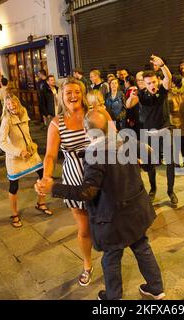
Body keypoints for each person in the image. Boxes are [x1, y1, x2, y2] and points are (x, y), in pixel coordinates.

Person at [35, 110, 165, 301]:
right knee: (142, 248)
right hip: (136, 210)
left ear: (87, 131)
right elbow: (151, 158)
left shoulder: (94, 155)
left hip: (114, 218)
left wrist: (54, 187)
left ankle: (113, 298)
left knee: (111, 258)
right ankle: (156, 288)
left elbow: (87, 193)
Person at [41, 78, 94, 286]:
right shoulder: (57, 123)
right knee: (84, 228)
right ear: (61, 97)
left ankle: (111, 261)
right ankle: (87, 265)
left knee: (106, 221)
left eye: (76, 92)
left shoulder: (94, 114)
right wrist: (47, 176)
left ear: (82, 93)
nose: (73, 96)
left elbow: (114, 139)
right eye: (68, 93)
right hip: (74, 179)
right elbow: (50, 156)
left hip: (99, 175)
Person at [126, 55, 178, 207]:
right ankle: (153, 188)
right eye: (149, 83)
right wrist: (131, 97)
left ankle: (170, 191)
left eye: (154, 81)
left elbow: (168, 77)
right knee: (150, 164)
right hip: (148, 134)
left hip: (165, 131)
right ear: (144, 84)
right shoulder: (140, 94)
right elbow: (129, 105)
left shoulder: (162, 90)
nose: (152, 85)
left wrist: (162, 65)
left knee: (170, 163)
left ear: (158, 80)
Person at [0, 93, 52, 228]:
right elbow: (1, 142)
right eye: (9, 104)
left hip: (30, 153)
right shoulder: (6, 120)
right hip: (15, 158)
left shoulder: (23, 113)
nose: (12, 106)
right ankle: (14, 214)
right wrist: (18, 152)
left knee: (43, 174)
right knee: (14, 186)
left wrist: (32, 144)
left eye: (14, 102)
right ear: (6, 106)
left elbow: (26, 134)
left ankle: (41, 203)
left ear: (18, 102)